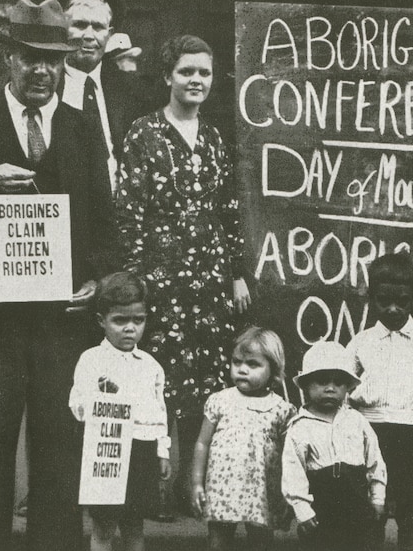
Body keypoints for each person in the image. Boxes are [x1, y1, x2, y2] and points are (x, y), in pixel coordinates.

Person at [0, 0, 118, 551]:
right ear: (8, 58)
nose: (42, 70)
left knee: (59, 455)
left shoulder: (80, 129)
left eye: (53, 60)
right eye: (30, 57)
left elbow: (106, 224)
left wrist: (99, 282)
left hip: (64, 324)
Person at [116, 34, 251, 514]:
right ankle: (150, 490)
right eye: (187, 71)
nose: (196, 80)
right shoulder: (144, 133)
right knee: (159, 382)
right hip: (161, 279)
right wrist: (135, 280)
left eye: (204, 73)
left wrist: (236, 272)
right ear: (168, 76)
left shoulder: (214, 138)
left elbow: (228, 210)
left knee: (203, 381)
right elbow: (129, 210)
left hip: (210, 278)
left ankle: (189, 488)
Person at [346, 252, 413, 551]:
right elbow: (341, 389)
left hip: (412, 437)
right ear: (371, 298)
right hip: (370, 435)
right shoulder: (361, 343)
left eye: (402, 301)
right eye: (383, 301)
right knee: (372, 509)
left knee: (408, 510)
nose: (393, 309)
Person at [68, 272, 172, 551]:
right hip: (106, 450)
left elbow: (158, 412)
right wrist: (101, 401)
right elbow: (77, 405)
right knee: (103, 526)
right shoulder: (91, 360)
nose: (130, 328)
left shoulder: (151, 366)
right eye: (120, 320)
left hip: (141, 450)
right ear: (102, 321)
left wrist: (162, 451)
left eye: (138, 320)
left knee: (133, 524)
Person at [189, 326, 295, 551]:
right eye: (237, 362)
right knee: (218, 542)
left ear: (273, 369)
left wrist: (289, 493)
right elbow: (202, 443)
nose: (242, 369)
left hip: (262, 490)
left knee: (261, 542)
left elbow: (290, 455)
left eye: (253, 364)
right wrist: (197, 483)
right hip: (222, 488)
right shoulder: (220, 401)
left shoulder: (281, 410)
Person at [282, 341, 387, 551]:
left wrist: (377, 497)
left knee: (361, 543)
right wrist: (302, 510)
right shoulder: (300, 426)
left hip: (356, 504)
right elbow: (293, 473)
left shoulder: (356, 420)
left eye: (338, 383)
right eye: (321, 381)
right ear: (306, 385)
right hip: (321, 506)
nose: (330, 388)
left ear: (348, 387)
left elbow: (375, 460)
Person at [55, 0, 151, 194]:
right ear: (62, 28)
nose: (89, 36)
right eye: (79, 25)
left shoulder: (129, 91)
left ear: (109, 35)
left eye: (98, 27)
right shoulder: (46, 86)